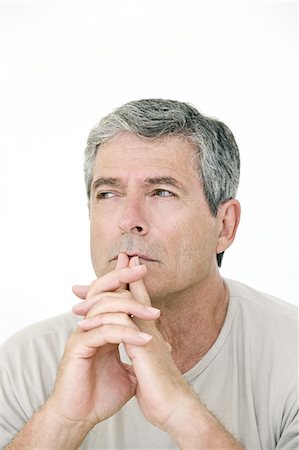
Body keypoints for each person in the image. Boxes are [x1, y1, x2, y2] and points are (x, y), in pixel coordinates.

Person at [1, 99, 297, 450]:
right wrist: (63, 421)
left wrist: (180, 410)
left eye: (161, 192)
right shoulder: (24, 362)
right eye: (108, 193)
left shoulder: (291, 354)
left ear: (224, 225)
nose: (130, 220)